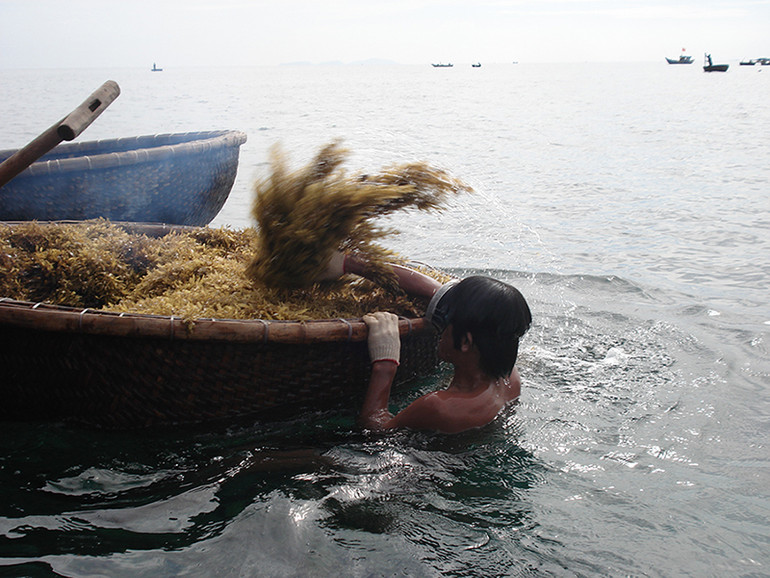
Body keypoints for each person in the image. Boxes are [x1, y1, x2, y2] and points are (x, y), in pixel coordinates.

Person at [321, 252, 532, 434]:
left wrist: (385, 364)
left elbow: (374, 429)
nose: (439, 329)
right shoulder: (510, 380)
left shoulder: (439, 406)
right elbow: (436, 293)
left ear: (466, 342)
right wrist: (348, 264)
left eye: (446, 323)